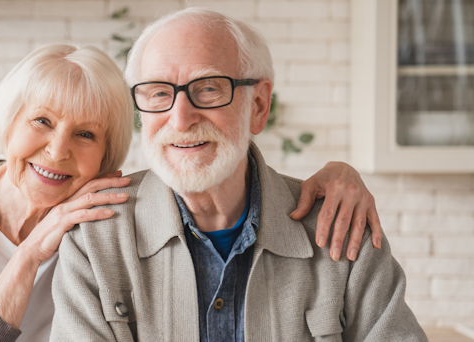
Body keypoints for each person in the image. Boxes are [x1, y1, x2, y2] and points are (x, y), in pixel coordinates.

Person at [0, 43, 385, 342]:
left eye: (86, 135)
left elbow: (217, 177)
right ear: (8, 122)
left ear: (108, 154)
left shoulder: (109, 211)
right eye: (41, 121)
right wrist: (31, 253)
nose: (58, 151)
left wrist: (343, 174)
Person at [50, 8, 426, 342]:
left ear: (259, 106)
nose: (180, 119)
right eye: (158, 93)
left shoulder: (342, 232)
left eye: (209, 88)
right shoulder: (94, 240)